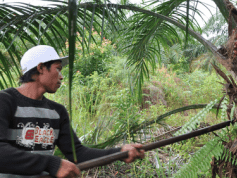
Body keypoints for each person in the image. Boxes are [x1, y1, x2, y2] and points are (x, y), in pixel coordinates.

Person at [0, 45, 145, 178]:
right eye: (58, 69)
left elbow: (78, 154)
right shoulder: (5, 101)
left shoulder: (57, 111)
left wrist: (119, 152)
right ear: (41, 68)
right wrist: (51, 164)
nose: (61, 76)